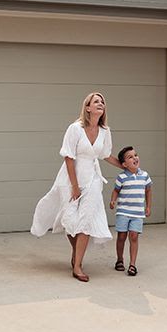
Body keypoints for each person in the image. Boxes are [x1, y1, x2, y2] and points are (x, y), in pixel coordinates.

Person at [28, 91, 115, 281]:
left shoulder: (105, 131)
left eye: (103, 102)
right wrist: (74, 186)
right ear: (88, 107)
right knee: (70, 221)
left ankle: (77, 266)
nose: (101, 104)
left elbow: (105, 154)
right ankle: (77, 253)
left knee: (85, 220)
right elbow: (68, 157)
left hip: (92, 179)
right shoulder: (75, 129)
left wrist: (125, 165)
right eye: (96, 101)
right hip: (70, 178)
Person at [110, 146, 152, 276]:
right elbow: (116, 190)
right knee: (121, 237)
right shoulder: (122, 177)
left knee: (134, 236)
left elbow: (148, 190)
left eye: (135, 155)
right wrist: (113, 200)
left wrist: (148, 206)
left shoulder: (144, 176)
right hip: (123, 211)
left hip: (137, 213)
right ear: (124, 164)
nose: (135, 158)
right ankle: (120, 259)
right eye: (130, 157)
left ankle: (132, 264)